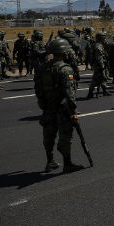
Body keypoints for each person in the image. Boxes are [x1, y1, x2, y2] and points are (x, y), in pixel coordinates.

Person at [34, 38, 83, 173]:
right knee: (65, 136)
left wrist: (43, 104)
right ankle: (67, 163)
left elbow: (38, 90)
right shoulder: (65, 69)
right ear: (64, 52)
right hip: (63, 110)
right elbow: (70, 94)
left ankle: (50, 161)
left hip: (48, 108)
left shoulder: (42, 68)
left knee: (48, 135)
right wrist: (73, 111)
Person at [86, 32, 111, 98]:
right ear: (101, 38)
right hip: (98, 66)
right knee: (95, 80)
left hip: (97, 65)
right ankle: (90, 93)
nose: (105, 39)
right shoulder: (98, 46)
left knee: (102, 78)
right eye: (104, 38)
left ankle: (104, 91)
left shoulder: (95, 45)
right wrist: (102, 66)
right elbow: (99, 57)